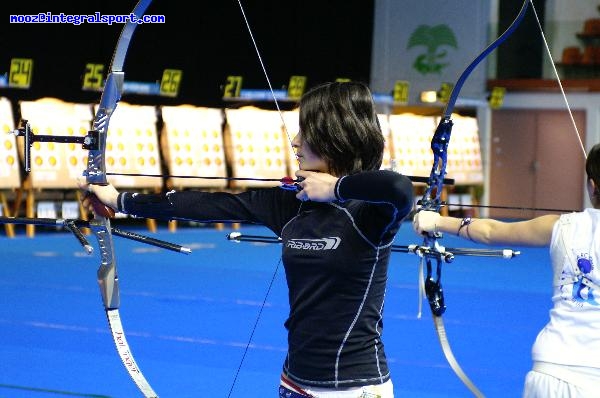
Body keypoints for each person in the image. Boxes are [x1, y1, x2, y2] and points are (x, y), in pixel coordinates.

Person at [80, 81, 415, 398]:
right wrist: (119, 200)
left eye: (306, 133)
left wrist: (335, 188)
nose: (295, 142)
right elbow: (208, 205)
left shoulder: (373, 212)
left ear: (336, 136)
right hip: (295, 381)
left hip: (355, 387)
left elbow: (400, 188)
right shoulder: (292, 204)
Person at [412, 143, 600, 398]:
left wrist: (435, 221)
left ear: (592, 186)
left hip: (550, 370)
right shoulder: (566, 225)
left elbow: (491, 232)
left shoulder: (564, 226)